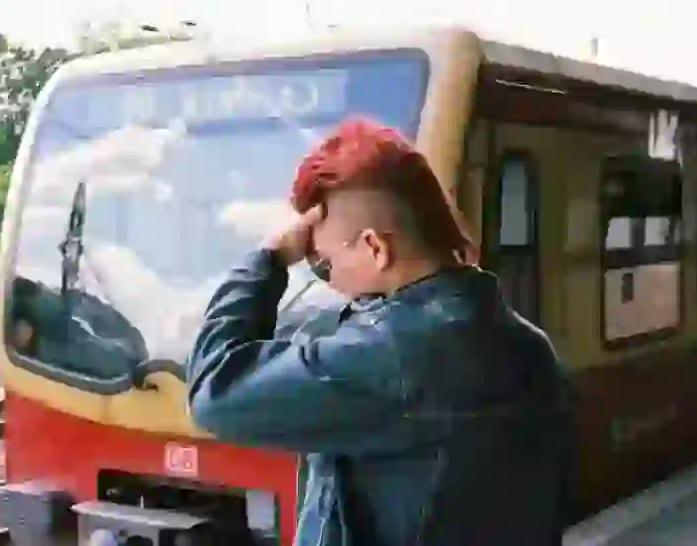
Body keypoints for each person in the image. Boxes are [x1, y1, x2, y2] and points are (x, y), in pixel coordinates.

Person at [185, 118, 576, 546]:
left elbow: (214, 392)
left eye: (323, 265)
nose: (327, 282)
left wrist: (269, 260)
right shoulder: (528, 345)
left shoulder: (394, 355)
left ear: (375, 248)